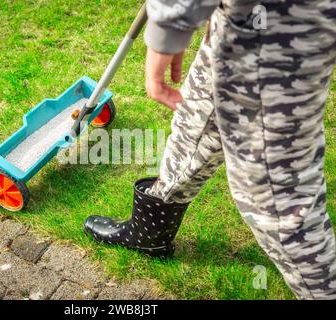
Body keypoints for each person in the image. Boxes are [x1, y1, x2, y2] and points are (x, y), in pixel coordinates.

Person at [83, 0, 336, 300]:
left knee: (277, 198)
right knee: (199, 114)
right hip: (243, 16)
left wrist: (170, 25)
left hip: (276, 24)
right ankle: (151, 231)